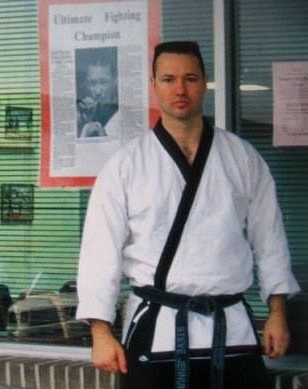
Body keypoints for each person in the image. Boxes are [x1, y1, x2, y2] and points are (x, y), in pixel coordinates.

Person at [76, 41, 300, 389]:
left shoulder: (242, 158)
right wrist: (100, 331)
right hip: (157, 328)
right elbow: (99, 252)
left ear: (205, 82)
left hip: (232, 329)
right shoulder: (126, 164)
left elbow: (270, 239)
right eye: (168, 79)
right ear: (154, 85)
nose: (180, 89)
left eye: (190, 78)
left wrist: (277, 312)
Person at [77, 58, 119, 138]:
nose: (98, 91)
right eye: (92, 83)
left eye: (103, 82)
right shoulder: (88, 111)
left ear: (115, 80)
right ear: (87, 84)